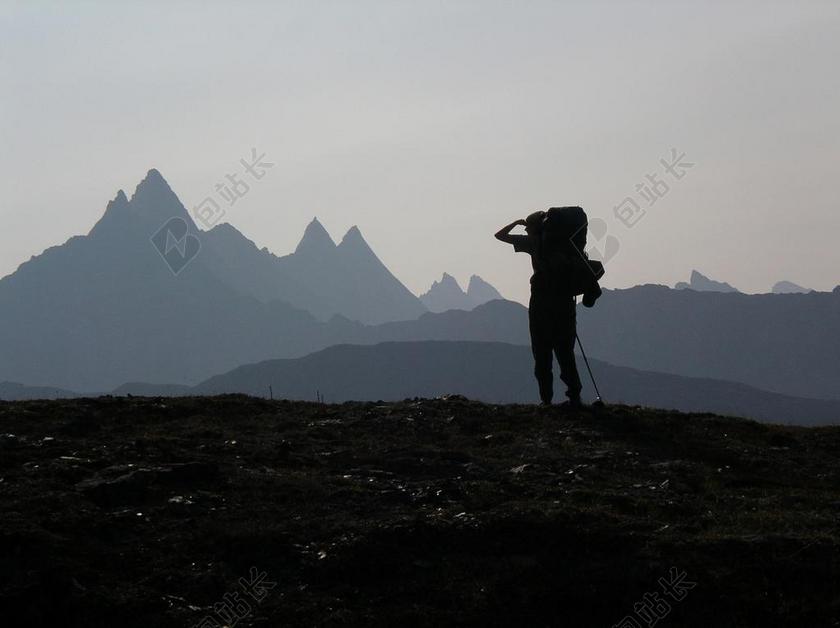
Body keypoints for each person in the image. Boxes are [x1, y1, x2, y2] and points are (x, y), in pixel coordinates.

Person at [495, 211, 593, 408]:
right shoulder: (566, 247)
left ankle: (546, 400)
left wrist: (515, 221)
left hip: (540, 304)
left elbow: (500, 236)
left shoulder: (533, 244)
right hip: (564, 305)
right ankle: (574, 397)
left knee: (542, 354)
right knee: (565, 353)